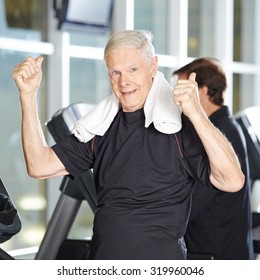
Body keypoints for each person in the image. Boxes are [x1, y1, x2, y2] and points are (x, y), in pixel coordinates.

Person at [12, 30, 244, 260]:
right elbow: (39, 166)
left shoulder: (178, 127)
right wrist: (28, 96)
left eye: (133, 69)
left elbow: (232, 180)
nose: (124, 82)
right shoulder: (100, 127)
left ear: (153, 66)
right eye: (116, 72)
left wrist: (197, 114)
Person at [172, 57, 254, 260]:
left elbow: (194, 201)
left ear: (202, 91)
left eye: (184, 90)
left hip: (214, 254)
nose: (177, 98)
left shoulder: (216, 135)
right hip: (225, 248)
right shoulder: (227, 128)